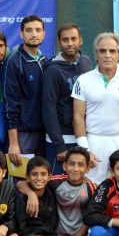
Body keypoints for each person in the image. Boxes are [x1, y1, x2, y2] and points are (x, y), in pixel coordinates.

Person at [72, 33, 119, 184]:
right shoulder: (83, 80)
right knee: (93, 189)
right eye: (102, 51)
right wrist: (85, 149)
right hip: (94, 143)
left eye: (112, 51)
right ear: (96, 55)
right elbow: (77, 117)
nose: (107, 55)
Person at [43, 23, 94, 174]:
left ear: (81, 40)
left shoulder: (86, 62)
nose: (70, 43)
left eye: (74, 39)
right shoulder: (52, 70)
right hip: (61, 139)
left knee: (81, 184)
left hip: (83, 137)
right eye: (65, 40)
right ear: (60, 42)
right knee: (59, 186)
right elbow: (48, 109)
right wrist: (59, 145)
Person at [4, 15, 49, 169]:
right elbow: (11, 104)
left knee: (41, 180)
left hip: (45, 133)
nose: (34, 34)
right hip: (23, 135)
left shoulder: (45, 61)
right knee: (20, 180)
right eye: (29, 30)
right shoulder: (14, 62)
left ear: (44, 34)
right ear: (21, 34)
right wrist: (14, 143)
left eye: (38, 30)